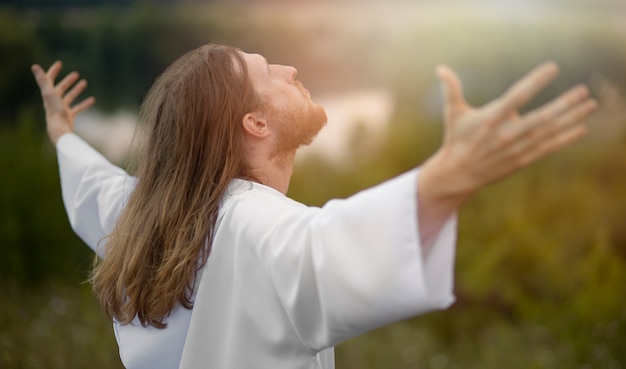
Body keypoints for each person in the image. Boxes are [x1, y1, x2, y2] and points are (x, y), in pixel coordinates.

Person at [32, 43, 597, 369]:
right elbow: (324, 250)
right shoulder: (252, 221)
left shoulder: (144, 213)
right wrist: (445, 179)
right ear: (253, 122)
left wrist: (62, 134)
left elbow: (93, 187)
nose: (290, 70)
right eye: (268, 72)